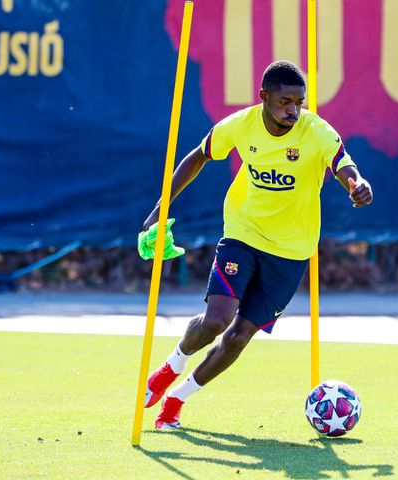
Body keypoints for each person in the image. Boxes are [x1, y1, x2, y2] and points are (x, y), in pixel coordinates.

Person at [139, 60, 373, 430]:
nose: (293, 111)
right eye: (284, 102)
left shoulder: (317, 131)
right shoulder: (240, 125)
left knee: (238, 336)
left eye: (299, 102)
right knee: (217, 319)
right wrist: (160, 207)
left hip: (292, 250)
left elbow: (343, 163)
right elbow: (198, 156)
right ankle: (173, 364)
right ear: (264, 96)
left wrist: (357, 184)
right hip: (243, 233)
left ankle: (177, 400)